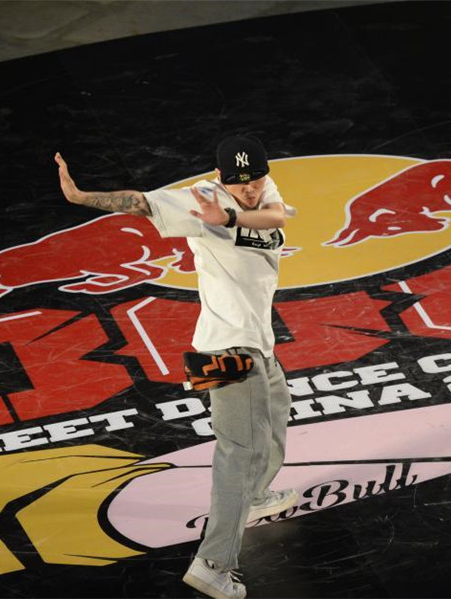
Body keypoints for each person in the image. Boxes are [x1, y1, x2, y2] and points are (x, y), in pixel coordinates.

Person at [55, 135, 298, 599]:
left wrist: (231, 216)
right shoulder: (202, 199)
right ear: (221, 177)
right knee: (237, 452)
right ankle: (212, 564)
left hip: (258, 345)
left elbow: (274, 215)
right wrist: (81, 196)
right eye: (236, 183)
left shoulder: (263, 193)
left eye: (253, 180)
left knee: (277, 414)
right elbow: (142, 203)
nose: (247, 190)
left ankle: (256, 497)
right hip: (226, 351)